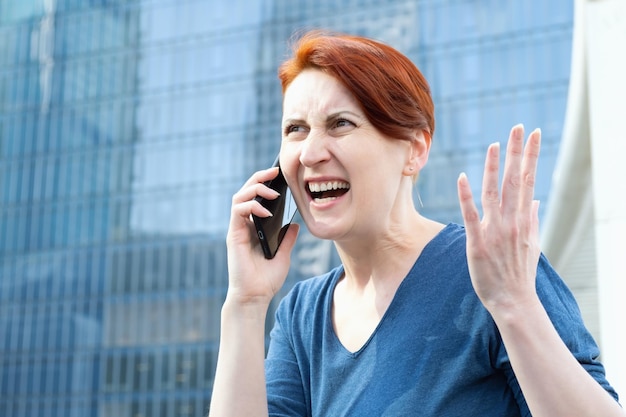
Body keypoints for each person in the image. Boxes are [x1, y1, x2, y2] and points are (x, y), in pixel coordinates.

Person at [209, 30, 623, 416]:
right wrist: (245, 303)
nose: (311, 152)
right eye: (295, 129)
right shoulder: (303, 315)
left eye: (341, 124)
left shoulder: (490, 267)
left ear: (414, 149)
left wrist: (513, 305)